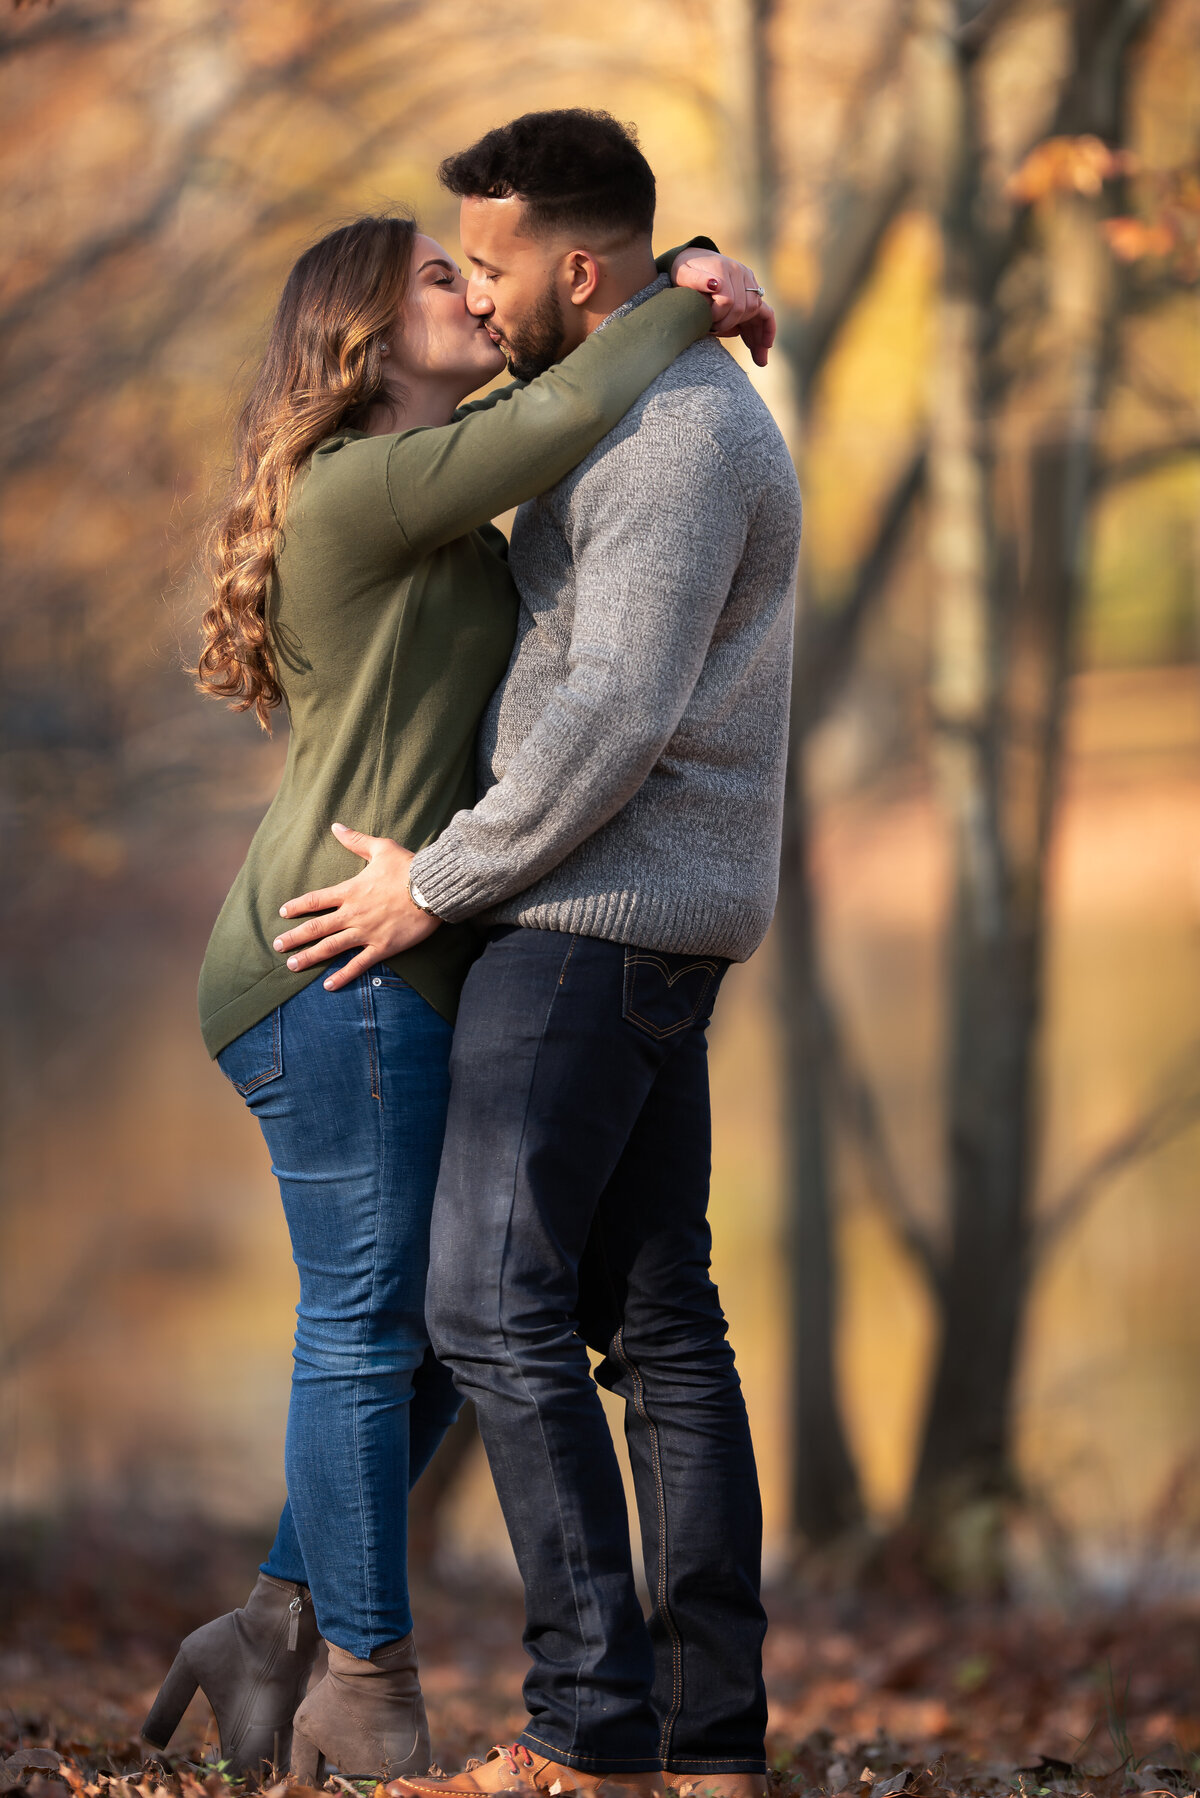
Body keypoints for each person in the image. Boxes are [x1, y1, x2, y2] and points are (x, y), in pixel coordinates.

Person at [139, 199, 770, 1785]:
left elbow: (550, 417)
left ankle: (275, 1620)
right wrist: (686, 287)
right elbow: (563, 403)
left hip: (395, 952)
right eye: (443, 275)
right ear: (360, 339)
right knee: (369, 1326)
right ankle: (367, 1679)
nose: (476, 292)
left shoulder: (434, 495)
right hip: (324, 961)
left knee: (436, 1321)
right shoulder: (360, 486)